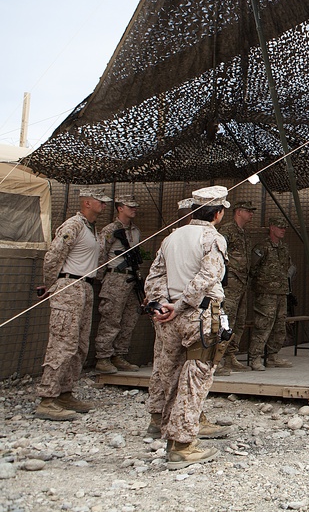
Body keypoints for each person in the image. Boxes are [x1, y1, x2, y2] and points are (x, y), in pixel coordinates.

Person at [144, 186, 230, 469]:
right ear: (217, 213)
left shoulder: (172, 237)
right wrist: (180, 304)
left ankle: (168, 433)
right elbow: (209, 276)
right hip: (199, 316)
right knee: (196, 378)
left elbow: (155, 275)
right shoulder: (212, 239)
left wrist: (162, 305)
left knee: (169, 376)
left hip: (169, 319)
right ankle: (182, 444)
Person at [34, 188, 112, 421]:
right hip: (69, 285)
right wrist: (51, 286)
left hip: (85, 287)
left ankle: (65, 392)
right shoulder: (74, 225)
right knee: (62, 343)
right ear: (87, 202)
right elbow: (53, 257)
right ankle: (47, 398)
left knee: (79, 345)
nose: (104, 205)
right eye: (100, 201)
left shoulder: (91, 228)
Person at [94, 194, 143, 374]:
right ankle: (103, 357)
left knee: (130, 318)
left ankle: (119, 354)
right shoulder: (110, 230)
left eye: (135, 206)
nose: (134, 209)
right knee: (111, 317)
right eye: (130, 206)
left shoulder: (136, 231)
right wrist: (100, 278)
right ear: (120, 208)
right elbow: (100, 254)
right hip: (115, 277)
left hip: (132, 278)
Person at [248, 217, 294, 371]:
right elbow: (252, 268)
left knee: (280, 325)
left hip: (281, 291)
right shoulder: (262, 247)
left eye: (284, 228)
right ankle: (255, 358)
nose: (283, 230)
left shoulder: (284, 247)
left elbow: (287, 266)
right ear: (272, 228)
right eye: (280, 227)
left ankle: (272, 356)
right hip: (266, 293)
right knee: (263, 324)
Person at [216, 200, 256, 375]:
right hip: (230, 282)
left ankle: (230, 355)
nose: (251, 214)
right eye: (248, 211)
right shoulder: (226, 231)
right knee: (225, 319)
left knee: (239, 321)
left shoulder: (244, 233)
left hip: (242, 282)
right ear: (238, 212)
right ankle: (216, 358)